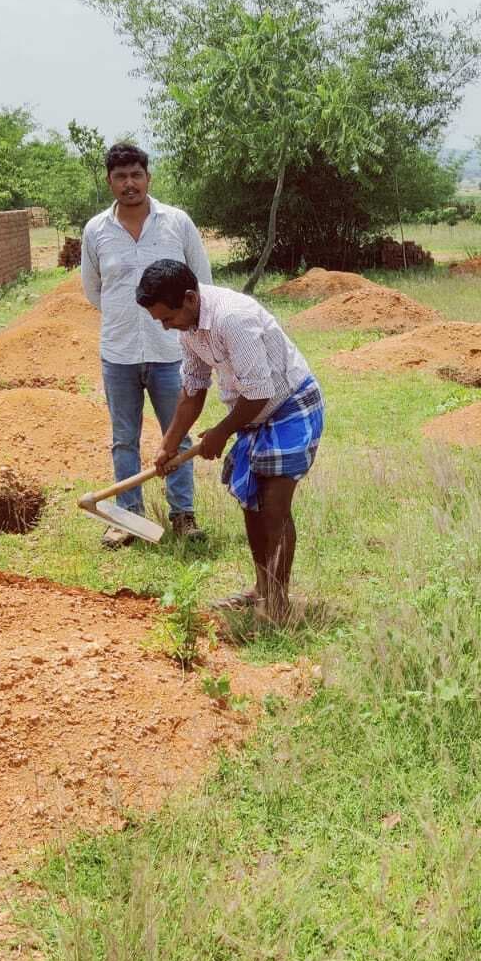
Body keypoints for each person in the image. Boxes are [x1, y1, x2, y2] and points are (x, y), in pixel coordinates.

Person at [137, 260, 324, 624]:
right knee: (251, 502)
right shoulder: (189, 327)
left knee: (273, 507)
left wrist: (221, 432)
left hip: (290, 407)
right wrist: (169, 443)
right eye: (159, 320)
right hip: (252, 412)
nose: (165, 326)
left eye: (167, 318)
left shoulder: (232, 319)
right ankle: (262, 588)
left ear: (190, 299)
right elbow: (193, 390)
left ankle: (277, 602)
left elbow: (259, 392)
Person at [81, 142, 213, 545]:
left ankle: (183, 515)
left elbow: (201, 280)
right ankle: (128, 519)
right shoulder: (96, 231)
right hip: (118, 352)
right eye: (120, 176)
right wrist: (126, 316)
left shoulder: (176, 223)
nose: (129, 183)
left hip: (171, 352)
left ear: (148, 177)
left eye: (136, 174)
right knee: (124, 438)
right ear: (110, 182)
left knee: (179, 434)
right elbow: (93, 290)